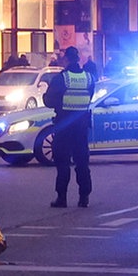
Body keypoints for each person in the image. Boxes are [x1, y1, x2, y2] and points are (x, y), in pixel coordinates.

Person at [44, 45, 94, 208]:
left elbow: (49, 101)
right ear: (79, 59)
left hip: (64, 126)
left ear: (66, 59)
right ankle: (84, 197)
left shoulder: (62, 78)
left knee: (62, 162)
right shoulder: (89, 78)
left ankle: (62, 198)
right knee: (82, 162)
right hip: (81, 127)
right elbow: (90, 96)